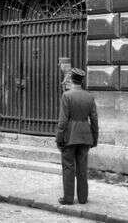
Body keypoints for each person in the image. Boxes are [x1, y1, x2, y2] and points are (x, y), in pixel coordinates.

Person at [55, 68, 98, 205]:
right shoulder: (89, 97)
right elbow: (94, 120)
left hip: (70, 136)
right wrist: (94, 139)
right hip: (85, 137)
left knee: (68, 167)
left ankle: (68, 198)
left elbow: (63, 121)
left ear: (71, 80)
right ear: (81, 81)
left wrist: (59, 138)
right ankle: (83, 198)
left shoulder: (67, 96)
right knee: (82, 168)